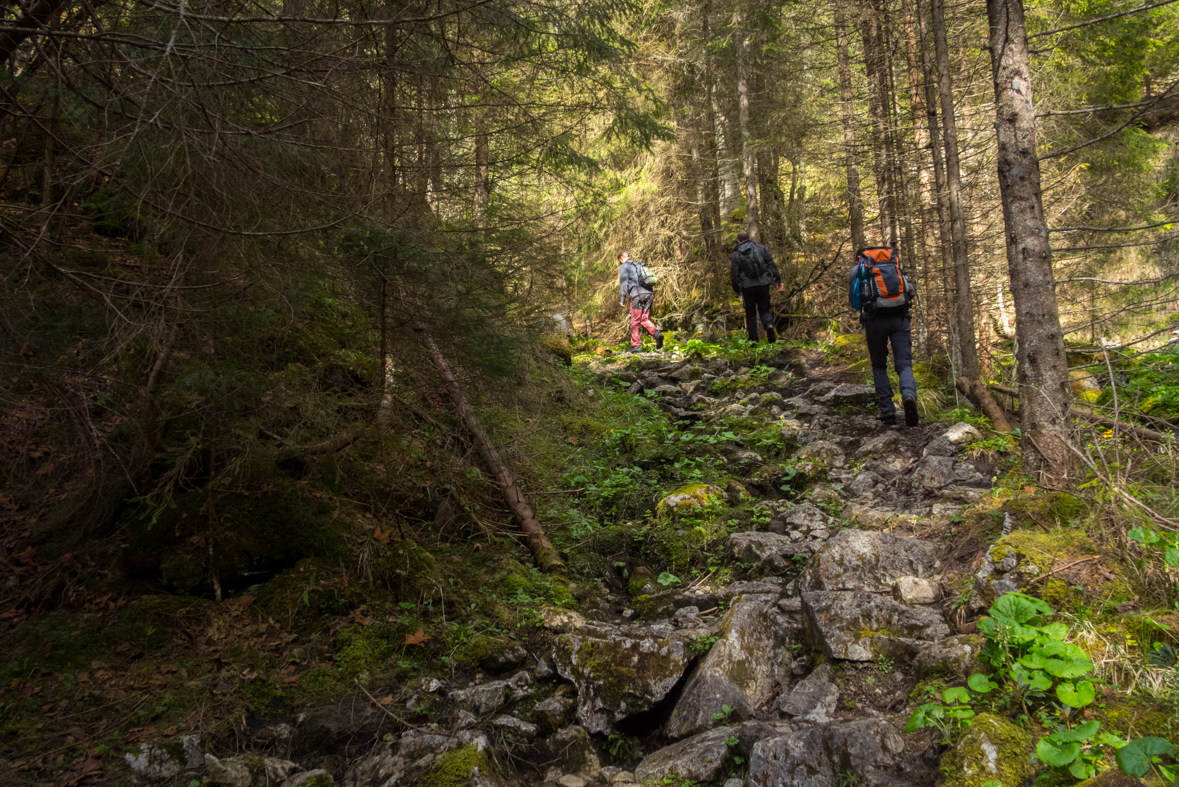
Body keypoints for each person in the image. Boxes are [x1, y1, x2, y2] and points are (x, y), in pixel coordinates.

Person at [849, 247, 919, 426]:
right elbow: (910, 292)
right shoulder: (893, 266)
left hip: (875, 320)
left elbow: (855, 303)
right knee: (904, 363)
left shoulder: (860, 270)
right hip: (900, 319)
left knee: (879, 364)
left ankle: (887, 409)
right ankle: (909, 395)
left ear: (860, 256)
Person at [729, 231, 783, 343]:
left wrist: (736, 288)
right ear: (749, 238)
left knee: (751, 314)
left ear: (738, 241)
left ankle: (753, 341)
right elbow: (771, 263)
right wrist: (777, 280)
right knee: (764, 310)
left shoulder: (736, 254)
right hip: (763, 284)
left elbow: (734, 274)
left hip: (747, 287)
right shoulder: (760, 248)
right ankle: (769, 326)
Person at [618, 250, 663, 353]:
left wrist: (622, 298)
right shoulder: (638, 265)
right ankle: (657, 334)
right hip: (649, 294)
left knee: (634, 320)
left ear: (621, 258)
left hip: (637, 295)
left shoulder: (624, 267)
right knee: (644, 318)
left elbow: (624, 282)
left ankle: (636, 345)